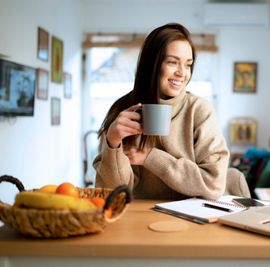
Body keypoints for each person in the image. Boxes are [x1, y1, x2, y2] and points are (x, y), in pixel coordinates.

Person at [93, 23, 230, 200]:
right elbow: (112, 195)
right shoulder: (123, 110)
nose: (182, 73)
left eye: (188, 65)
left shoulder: (199, 110)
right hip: (139, 219)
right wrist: (112, 143)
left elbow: (214, 184)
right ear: (152, 65)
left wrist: (150, 157)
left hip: (191, 221)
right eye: (173, 62)